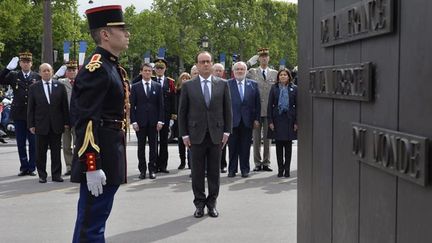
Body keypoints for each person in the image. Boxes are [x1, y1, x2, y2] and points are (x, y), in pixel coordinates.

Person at [70, 5, 130, 242]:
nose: (127, 34)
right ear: (105, 34)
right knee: (91, 225)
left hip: (111, 152)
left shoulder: (111, 66)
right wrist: (91, 165)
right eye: (122, 29)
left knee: (96, 221)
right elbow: (85, 119)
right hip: (100, 156)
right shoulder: (97, 68)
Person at [178, 51, 232, 218]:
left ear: (212, 63)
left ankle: (212, 203)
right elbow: (182, 113)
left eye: (208, 61)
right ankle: (199, 204)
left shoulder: (223, 84)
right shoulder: (188, 86)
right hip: (195, 136)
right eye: (202, 62)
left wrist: (227, 131)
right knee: (198, 172)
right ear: (197, 65)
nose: (206, 64)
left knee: (215, 172)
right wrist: (184, 135)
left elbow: (227, 110)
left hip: (216, 134)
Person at [27, 63, 69, 183]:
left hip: (56, 125)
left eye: (48, 70)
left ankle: (56, 175)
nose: (46, 72)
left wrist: (66, 122)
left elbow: (64, 106)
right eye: (44, 71)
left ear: (52, 72)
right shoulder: (34, 87)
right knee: (41, 152)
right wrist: (31, 124)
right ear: (39, 73)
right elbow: (31, 108)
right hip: (41, 125)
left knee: (56, 152)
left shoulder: (60, 86)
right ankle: (42, 175)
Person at [0, 52, 40, 176]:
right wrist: (7, 69)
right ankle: (24, 166)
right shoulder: (14, 75)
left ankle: (32, 167)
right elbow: (1, 79)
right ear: (20, 63)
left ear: (31, 63)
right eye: (23, 62)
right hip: (18, 114)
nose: (26, 64)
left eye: (28, 62)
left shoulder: (36, 76)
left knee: (33, 143)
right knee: (21, 142)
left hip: (33, 114)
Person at [130, 63, 164, 180]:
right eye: (145, 70)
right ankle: (142, 170)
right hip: (140, 122)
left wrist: (160, 120)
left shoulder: (157, 86)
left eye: (150, 71)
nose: (148, 73)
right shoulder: (135, 87)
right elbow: (132, 106)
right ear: (141, 72)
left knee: (153, 148)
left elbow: (161, 106)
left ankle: (152, 170)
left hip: (154, 122)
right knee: (141, 148)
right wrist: (133, 122)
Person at [246, 47, 278, 172]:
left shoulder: (275, 73)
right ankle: (257, 163)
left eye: (266, 56)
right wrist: (248, 63)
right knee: (256, 138)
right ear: (258, 58)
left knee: (268, 138)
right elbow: (238, 72)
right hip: (256, 110)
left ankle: (266, 162)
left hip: (269, 110)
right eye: (261, 56)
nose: (264, 58)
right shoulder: (252, 72)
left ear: (269, 58)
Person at [227, 62, 260, 178]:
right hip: (232, 121)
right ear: (233, 71)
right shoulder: (227, 84)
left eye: (242, 69)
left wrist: (256, 119)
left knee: (245, 147)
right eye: (237, 69)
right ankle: (232, 170)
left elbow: (257, 103)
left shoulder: (253, 85)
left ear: (246, 71)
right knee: (232, 147)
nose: (240, 71)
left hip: (247, 120)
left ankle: (245, 169)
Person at [267, 68, 297, 177]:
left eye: (285, 75)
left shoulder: (294, 88)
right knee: (279, 147)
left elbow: (298, 106)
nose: (283, 76)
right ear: (278, 77)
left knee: (288, 147)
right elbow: (270, 105)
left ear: (289, 76)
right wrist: (270, 121)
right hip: (277, 119)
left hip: (289, 120)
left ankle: (287, 169)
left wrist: (296, 122)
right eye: (281, 75)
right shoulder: (274, 88)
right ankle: (280, 169)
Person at [54, 60, 78, 176]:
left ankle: (78, 166)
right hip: (65, 117)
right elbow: (50, 82)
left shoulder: (81, 82)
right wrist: (57, 74)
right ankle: (69, 166)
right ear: (66, 72)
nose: (72, 72)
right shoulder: (61, 82)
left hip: (78, 118)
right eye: (69, 70)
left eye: (74, 70)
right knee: (66, 145)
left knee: (78, 144)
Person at [152, 58, 176, 173]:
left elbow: (173, 99)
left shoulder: (170, 82)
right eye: (157, 68)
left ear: (165, 69)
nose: (159, 70)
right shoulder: (150, 80)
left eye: (162, 68)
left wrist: (173, 115)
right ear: (154, 69)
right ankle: (154, 165)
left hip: (166, 115)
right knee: (153, 142)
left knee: (164, 142)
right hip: (153, 115)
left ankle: (163, 165)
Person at [212, 63, 228, 173]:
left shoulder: (225, 84)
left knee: (222, 143)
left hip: (221, 119)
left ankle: (222, 164)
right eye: (216, 70)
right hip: (209, 118)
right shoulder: (208, 83)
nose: (218, 72)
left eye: (220, 71)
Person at [175, 72, 191, 170]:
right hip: (180, 120)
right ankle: (182, 161)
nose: (185, 80)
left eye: (187, 78)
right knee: (181, 142)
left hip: (190, 120)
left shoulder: (192, 91)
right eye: (183, 78)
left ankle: (190, 162)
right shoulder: (177, 92)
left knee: (191, 143)